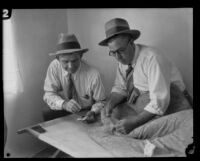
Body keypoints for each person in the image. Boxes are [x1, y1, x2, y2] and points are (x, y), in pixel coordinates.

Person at [99, 18, 192, 135]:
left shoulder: (152, 58)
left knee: (142, 133)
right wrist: (110, 104)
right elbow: (120, 88)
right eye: (113, 52)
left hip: (173, 104)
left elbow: (159, 102)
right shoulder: (121, 61)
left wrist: (135, 122)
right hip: (145, 103)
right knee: (112, 116)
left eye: (121, 50)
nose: (117, 57)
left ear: (131, 42)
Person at [43, 33, 106, 123]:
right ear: (58, 59)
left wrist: (93, 112)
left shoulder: (93, 74)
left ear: (81, 56)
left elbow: (102, 101)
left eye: (74, 60)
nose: (70, 66)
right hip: (63, 107)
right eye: (65, 61)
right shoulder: (54, 67)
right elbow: (48, 94)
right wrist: (64, 104)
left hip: (86, 110)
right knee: (46, 111)